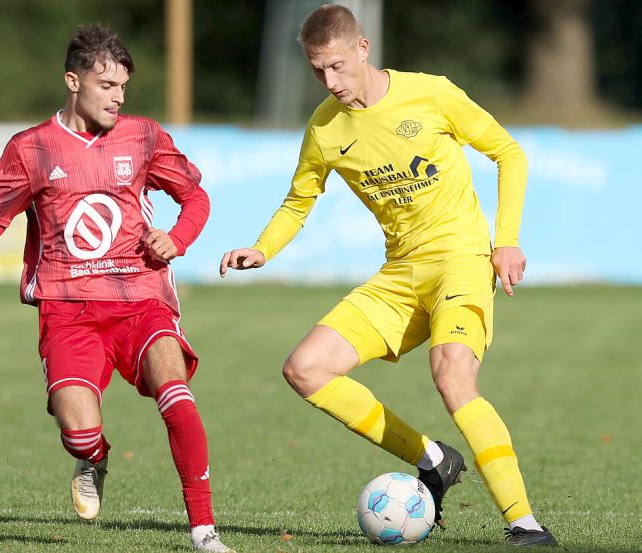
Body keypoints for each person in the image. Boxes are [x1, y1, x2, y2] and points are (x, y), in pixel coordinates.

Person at [219, 4, 555, 547]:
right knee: (305, 369)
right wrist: (262, 249)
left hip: (461, 262)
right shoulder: (325, 129)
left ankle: (524, 522)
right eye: (316, 71)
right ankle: (432, 458)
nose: (330, 82)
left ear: (363, 49)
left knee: (451, 376)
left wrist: (507, 239)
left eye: (336, 67)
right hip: (400, 275)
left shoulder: (432, 94)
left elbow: (508, 153)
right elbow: (298, 201)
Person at [0, 23, 234, 553]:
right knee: (78, 431)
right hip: (67, 308)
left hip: (139, 298)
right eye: (106, 86)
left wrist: (178, 239)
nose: (118, 98)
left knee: (176, 394)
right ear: (73, 81)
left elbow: (196, 199)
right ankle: (93, 457)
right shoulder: (30, 149)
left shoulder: (143, 137)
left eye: (123, 87)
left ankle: (205, 532)